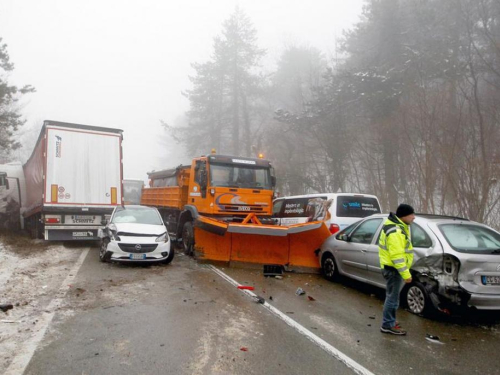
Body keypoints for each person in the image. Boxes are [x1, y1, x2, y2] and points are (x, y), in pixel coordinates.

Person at [378, 203, 415, 335]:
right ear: (404, 216)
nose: (413, 217)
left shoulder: (397, 226)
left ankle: (390, 321)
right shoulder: (396, 231)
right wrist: (406, 274)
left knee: (392, 297)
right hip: (394, 270)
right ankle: (388, 325)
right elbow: (397, 256)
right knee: (392, 299)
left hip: (392, 268)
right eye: (411, 214)